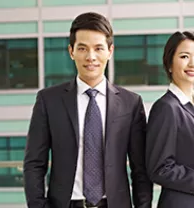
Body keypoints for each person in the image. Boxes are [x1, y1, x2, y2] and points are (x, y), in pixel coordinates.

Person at [23, 12, 152, 208]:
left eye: (98, 48)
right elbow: (34, 163)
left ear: (110, 51)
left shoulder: (131, 103)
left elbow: (140, 168)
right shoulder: (49, 101)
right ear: (71, 51)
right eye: (82, 48)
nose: (91, 57)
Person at [145, 31, 194, 208]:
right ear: (169, 64)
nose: (193, 64)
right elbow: (159, 168)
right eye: (184, 56)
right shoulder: (166, 108)